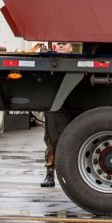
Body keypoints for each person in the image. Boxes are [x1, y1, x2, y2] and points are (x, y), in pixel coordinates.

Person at [41, 42, 73, 187]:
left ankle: (69, 176)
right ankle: (50, 174)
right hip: (54, 108)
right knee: (50, 143)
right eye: (58, 44)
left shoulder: (73, 63)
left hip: (68, 109)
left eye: (64, 44)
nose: (60, 46)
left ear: (70, 48)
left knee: (68, 143)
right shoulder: (51, 62)